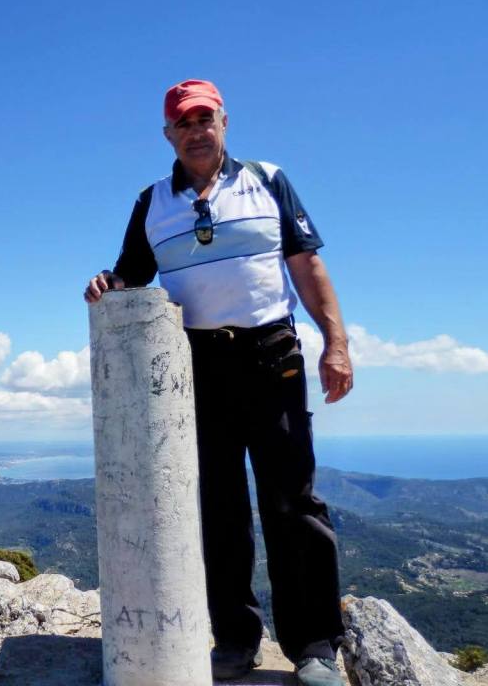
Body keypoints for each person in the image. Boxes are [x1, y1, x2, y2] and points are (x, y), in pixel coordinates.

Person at [84, 79, 353, 686]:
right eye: (183, 123)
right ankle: (235, 639)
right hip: (196, 365)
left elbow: (306, 264)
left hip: (270, 354)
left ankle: (313, 646)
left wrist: (336, 342)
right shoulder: (152, 202)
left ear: (224, 123)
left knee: (292, 500)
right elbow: (131, 271)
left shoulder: (267, 180)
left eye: (205, 119)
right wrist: (108, 283)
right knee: (219, 507)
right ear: (168, 135)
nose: (195, 131)